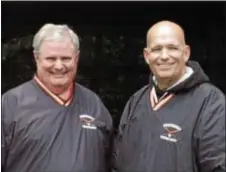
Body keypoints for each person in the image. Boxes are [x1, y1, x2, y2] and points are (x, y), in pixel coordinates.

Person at [113, 20, 225, 172]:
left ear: (186, 53)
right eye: (157, 49)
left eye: (172, 48)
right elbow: (117, 162)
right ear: (147, 56)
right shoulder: (136, 100)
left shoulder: (210, 102)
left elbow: (217, 166)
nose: (164, 56)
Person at [1, 23, 113, 172]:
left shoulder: (94, 105)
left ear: (76, 58)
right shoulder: (10, 104)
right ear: (36, 57)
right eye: (51, 59)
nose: (59, 66)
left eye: (66, 58)